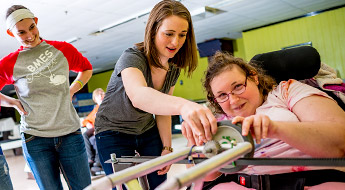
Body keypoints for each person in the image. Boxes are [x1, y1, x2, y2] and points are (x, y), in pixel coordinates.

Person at [94, 0, 217, 189]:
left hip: (146, 129)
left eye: (182, 35)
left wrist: (167, 148)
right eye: (168, 34)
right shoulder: (132, 57)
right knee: (129, 186)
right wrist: (183, 105)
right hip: (113, 131)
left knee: (159, 183)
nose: (175, 42)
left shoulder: (173, 68)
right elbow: (139, 95)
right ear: (153, 31)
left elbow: (162, 110)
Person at [181, 51, 345, 189]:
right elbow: (206, 176)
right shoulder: (218, 121)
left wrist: (275, 129)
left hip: (309, 181)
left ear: (254, 78)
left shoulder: (285, 92)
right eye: (222, 95)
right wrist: (198, 144)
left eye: (238, 86)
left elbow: (340, 142)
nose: (233, 101)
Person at [0, 5, 93, 190]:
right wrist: (12, 103)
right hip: (36, 139)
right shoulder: (10, 63)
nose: (29, 35)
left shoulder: (62, 49)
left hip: (70, 134)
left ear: (36, 22)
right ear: (12, 34)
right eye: (21, 32)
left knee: (83, 188)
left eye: (31, 27)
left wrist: (73, 89)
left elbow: (86, 68)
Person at [82, 88, 105, 172]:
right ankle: (90, 159)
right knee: (84, 135)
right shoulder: (96, 108)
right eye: (98, 94)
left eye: (102, 93)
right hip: (95, 128)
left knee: (95, 138)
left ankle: (97, 162)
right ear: (95, 99)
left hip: (102, 128)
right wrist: (87, 123)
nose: (101, 95)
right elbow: (86, 120)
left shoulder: (106, 105)